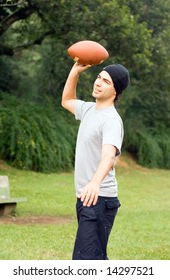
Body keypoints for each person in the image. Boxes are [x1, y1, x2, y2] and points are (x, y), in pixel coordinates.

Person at [61, 62, 130, 260]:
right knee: (94, 258)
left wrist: (94, 182)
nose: (98, 83)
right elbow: (67, 100)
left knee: (85, 260)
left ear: (116, 90)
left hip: (99, 198)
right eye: (99, 77)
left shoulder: (111, 120)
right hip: (87, 197)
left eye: (106, 81)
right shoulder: (89, 110)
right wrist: (74, 71)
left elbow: (109, 155)